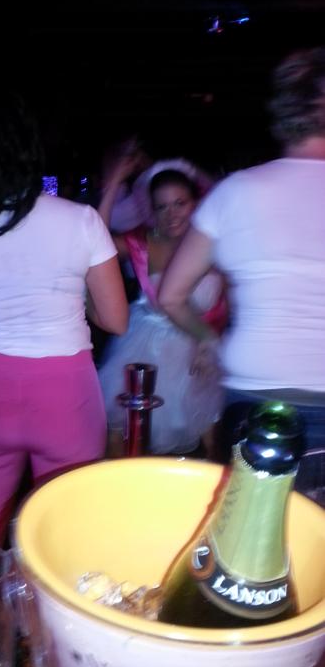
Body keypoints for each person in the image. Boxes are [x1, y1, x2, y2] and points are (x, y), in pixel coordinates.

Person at [0, 89, 128, 549]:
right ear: (28, 146)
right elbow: (116, 320)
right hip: (66, 392)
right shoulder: (81, 220)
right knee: (64, 534)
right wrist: (75, 294)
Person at [158, 46, 325, 460]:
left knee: (250, 504)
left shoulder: (235, 192)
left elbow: (171, 296)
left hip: (255, 386)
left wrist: (209, 339)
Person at [98, 160, 225, 456]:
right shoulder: (141, 244)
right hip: (145, 347)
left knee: (212, 443)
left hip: (201, 349)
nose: (172, 214)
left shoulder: (216, 245)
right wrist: (114, 182)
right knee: (121, 436)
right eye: (162, 207)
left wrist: (210, 343)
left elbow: (227, 304)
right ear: (151, 211)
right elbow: (94, 239)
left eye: (180, 203)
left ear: (196, 203)